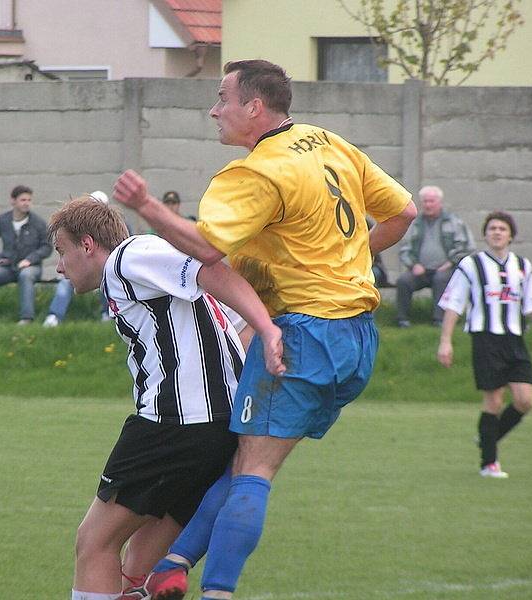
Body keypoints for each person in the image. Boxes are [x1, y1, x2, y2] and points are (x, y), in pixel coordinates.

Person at [113, 59, 416, 600]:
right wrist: (346, 262)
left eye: (222, 98)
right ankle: (172, 566)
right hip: (357, 338)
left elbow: (207, 249)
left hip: (304, 336)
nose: (214, 109)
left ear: (254, 107)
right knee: (249, 459)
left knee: (254, 470)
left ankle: (218, 592)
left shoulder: (256, 172)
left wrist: (148, 208)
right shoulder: (329, 143)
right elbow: (404, 213)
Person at [47, 195, 284, 600]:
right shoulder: (154, 277)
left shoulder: (130, 255)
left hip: (173, 424)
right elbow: (232, 321)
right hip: (217, 432)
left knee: (94, 543)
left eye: (61, 251)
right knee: (135, 573)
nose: (58, 265)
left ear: (87, 245)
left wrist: (267, 328)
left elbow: (212, 272)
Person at [437, 211, 532, 479]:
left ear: (511, 234)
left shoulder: (522, 266)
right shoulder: (471, 265)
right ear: (485, 234)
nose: (497, 232)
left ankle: (487, 437)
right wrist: (446, 342)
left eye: (502, 228)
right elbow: (454, 304)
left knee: (525, 400)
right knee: (494, 399)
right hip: (485, 339)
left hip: (514, 339)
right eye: (492, 228)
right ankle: (489, 463)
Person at [43, 192, 127, 327]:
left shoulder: (135, 259)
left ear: (87, 246)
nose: (59, 268)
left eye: (62, 253)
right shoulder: (125, 295)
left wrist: (145, 204)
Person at [396, 185, 475, 327]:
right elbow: (404, 248)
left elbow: (466, 247)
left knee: (441, 279)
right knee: (403, 281)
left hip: (446, 268)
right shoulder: (414, 223)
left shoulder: (453, 221)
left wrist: (450, 262)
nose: (428, 205)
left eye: (432, 201)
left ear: (440, 202)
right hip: (420, 270)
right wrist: (414, 264)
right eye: (425, 201)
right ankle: (402, 320)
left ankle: (439, 320)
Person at [0, 185, 51, 326]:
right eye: (23, 200)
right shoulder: (2, 220)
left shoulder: (38, 222)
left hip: (31, 267)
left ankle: (26, 319)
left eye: (29, 200)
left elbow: (47, 246)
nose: (26, 203)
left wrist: (30, 259)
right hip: (7, 267)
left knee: (25, 275)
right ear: (13, 201)